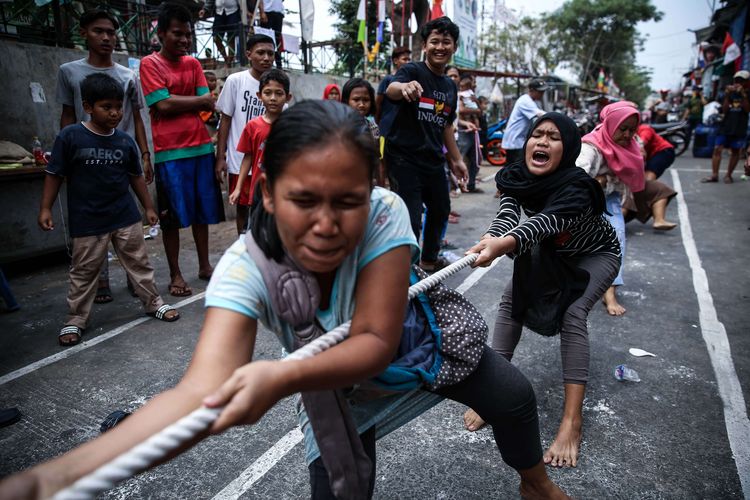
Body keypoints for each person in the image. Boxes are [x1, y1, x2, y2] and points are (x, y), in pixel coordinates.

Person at [0, 100, 568, 500]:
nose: (326, 225)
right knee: (345, 486)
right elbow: (201, 391)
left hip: (412, 345)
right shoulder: (245, 267)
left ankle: (533, 483)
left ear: (369, 189)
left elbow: (376, 337)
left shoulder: (388, 212)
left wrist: (277, 379)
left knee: (514, 395)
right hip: (334, 384)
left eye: (348, 200)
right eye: (303, 200)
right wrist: (55, 478)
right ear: (267, 193)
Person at [462, 112, 620, 470]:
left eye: (553, 137)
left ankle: (571, 422)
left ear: (567, 149)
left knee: (573, 313)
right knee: (510, 302)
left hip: (595, 255)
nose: (542, 142)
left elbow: (545, 223)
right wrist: (494, 237)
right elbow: (508, 215)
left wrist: (504, 244)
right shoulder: (516, 176)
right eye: (537, 134)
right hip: (549, 254)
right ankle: (494, 394)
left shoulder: (577, 186)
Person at [39, 73, 180, 347]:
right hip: (88, 219)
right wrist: (45, 208)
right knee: (84, 271)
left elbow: (135, 177)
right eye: (107, 107)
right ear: (88, 107)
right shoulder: (71, 137)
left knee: (139, 263)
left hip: (125, 216)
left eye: (119, 107)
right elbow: (54, 173)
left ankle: (153, 303)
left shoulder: (125, 141)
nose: (115, 113)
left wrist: (148, 207)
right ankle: (76, 319)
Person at [57, 9, 153, 305]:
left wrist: (144, 152)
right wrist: (67, 154)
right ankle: (99, 280)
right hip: (85, 158)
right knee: (90, 223)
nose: (107, 38)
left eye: (111, 32)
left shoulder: (127, 75)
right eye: (99, 31)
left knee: (128, 222)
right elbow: (68, 115)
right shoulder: (70, 72)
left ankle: (135, 278)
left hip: (122, 158)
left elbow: (137, 117)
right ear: (84, 32)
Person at [139, 3, 225, 298]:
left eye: (188, 34)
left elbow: (208, 101)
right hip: (169, 153)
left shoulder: (193, 64)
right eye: (178, 34)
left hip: (201, 149)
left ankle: (204, 265)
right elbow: (161, 105)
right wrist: (193, 101)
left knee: (202, 212)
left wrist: (177, 100)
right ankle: (175, 274)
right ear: (161, 33)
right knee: (171, 218)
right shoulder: (149, 64)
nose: (185, 40)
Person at [576, 101, 676, 317]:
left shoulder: (630, 146)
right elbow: (577, 181)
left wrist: (609, 184)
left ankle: (609, 291)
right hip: (584, 201)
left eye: (632, 129)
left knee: (617, 239)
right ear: (611, 124)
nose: (627, 134)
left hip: (610, 198)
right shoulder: (590, 147)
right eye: (623, 128)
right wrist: (601, 181)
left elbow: (626, 180)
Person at [384, 16, 468, 272]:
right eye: (434, 41)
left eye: (446, 42)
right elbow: (391, 89)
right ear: (425, 45)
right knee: (410, 216)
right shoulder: (413, 71)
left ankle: (429, 262)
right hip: (403, 157)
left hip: (433, 159)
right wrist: (405, 87)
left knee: (441, 208)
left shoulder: (450, 87)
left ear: (454, 47)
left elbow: (445, 125)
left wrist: (456, 160)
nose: (440, 47)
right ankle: (405, 270)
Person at [215, 34, 276, 234]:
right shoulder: (236, 81)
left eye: (270, 53)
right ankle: (243, 245)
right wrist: (220, 157)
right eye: (261, 53)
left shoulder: (276, 85)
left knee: (270, 206)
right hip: (239, 159)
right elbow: (225, 120)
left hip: (268, 161)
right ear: (248, 54)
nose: (266, 58)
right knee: (243, 206)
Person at [230, 68, 291, 211]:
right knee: (258, 230)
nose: (273, 98)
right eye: (268, 93)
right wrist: (238, 188)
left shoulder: (291, 126)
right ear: (259, 95)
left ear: (288, 97)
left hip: (284, 190)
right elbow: (248, 158)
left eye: (279, 93)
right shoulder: (253, 126)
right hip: (259, 191)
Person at [703, 70, 750, 184]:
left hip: (739, 126)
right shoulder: (728, 92)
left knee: (735, 151)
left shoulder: (748, 93)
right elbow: (724, 110)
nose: (738, 83)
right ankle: (715, 174)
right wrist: (727, 95)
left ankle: (729, 175)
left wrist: (743, 95)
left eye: (741, 81)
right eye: (737, 80)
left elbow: (747, 110)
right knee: (717, 148)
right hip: (725, 125)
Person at [457, 73, 483, 193]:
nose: (474, 84)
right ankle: (458, 184)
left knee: (475, 159)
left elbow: (480, 111)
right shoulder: (460, 96)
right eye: (473, 81)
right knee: (460, 159)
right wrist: (476, 110)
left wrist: (476, 105)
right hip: (463, 132)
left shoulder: (472, 96)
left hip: (473, 132)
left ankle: (471, 184)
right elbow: (461, 110)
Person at [375, 46, 411, 129]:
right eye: (405, 59)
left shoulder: (411, 82)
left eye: (409, 59)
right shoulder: (387, 80)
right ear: (395, 61)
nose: (408, 62)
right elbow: (378, 103)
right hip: (387, 127)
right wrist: (377, 124)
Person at [199, 0, 243, 67]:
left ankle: (229, 62)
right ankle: (226, 59)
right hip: (219, 12)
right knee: (216, 38)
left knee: (231, 38)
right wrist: (204, 9)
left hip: (233, 11)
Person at [259, 0, 284, 68]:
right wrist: (262, 12)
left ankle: (278, 63)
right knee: (264, 38)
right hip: (267, 11)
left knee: (277, 39)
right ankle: (264, 59)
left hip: (279, 12)